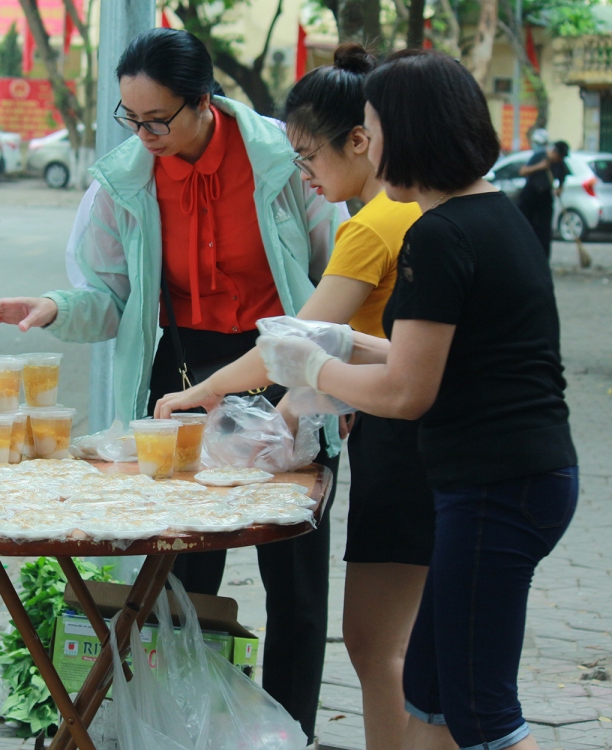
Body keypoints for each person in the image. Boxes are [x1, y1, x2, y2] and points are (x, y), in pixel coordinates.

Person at [0, 28, 347, 741]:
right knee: (176, 577)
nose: (143, 133)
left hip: (289, 373)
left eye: (157, 120)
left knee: (295, 580)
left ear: (202, 102)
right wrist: (52, 306)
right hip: (182, 377)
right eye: (131, 118)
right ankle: (177, 731)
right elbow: (110, 296)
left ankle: (294, 731)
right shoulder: (125, 179)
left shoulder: (279, 160)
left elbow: (337, 276)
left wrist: (335, 387)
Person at [257, 50, 577, 750]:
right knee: (430, 698)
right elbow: (435, 358)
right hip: (517, 478)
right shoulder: (492, 214)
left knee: (479, 710)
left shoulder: (438, 236)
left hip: (499, 487)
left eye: (371, 129)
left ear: (410, 133)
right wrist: (343, 346)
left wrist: (312, 364)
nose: (367, 146)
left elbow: (406, 391)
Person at [155, 43, 429, 750]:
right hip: (442, 442)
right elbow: (359, 350)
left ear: (362, 141)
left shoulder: (373, 227)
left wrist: (210, 393)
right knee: (415, 650)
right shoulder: (432, 213)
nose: (301, 175)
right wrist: (284, 409)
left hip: (413, 447)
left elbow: (297, 344)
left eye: (307, 158)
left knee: (382, 647)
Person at [517, 139, 570, 258]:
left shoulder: (561, 164)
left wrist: (559, 189)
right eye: (559, 155)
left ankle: (543, 258)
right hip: (530, 194)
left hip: (545, 196)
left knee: (544, 230)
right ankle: (523, 255)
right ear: (554, 152)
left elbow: (562, 179)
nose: (560, 158)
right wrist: (540, 166)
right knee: (524, 225)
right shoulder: (540, 156)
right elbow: (522, 171)